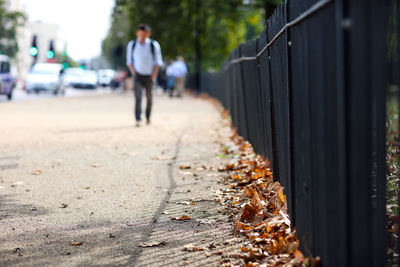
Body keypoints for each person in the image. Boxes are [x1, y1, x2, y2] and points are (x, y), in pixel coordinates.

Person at [126, 24, 163, 127]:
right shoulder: (132, 45)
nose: (141, 36)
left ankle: (148, 116)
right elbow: (129, 61)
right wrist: (134, 73)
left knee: (149, 97)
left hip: (150, 75)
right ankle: (138, 118)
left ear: (148, 34)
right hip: (137, 75)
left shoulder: (153, 45)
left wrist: (154, 74)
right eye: (140, 34)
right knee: (138, 97)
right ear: (137, 33)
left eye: (144, 34)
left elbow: (158, 61)